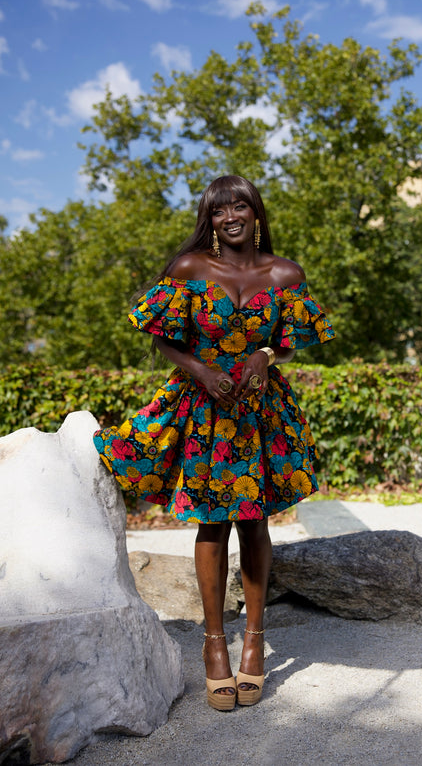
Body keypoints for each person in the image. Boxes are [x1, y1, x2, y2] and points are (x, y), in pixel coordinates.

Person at [93, 175, 335, 711]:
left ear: (255, 213)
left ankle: (253, 641)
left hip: (258, 411)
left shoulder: (285, 274)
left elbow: (289, 343)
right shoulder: (190, 268)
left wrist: (263, 356)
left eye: (239, 206)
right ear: (210, 218)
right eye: (219, 209)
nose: (230, 217)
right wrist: (201, 370)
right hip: (205, 409)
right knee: (212, 522)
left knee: (254, 522)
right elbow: (160, 337)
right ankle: (213, 643)